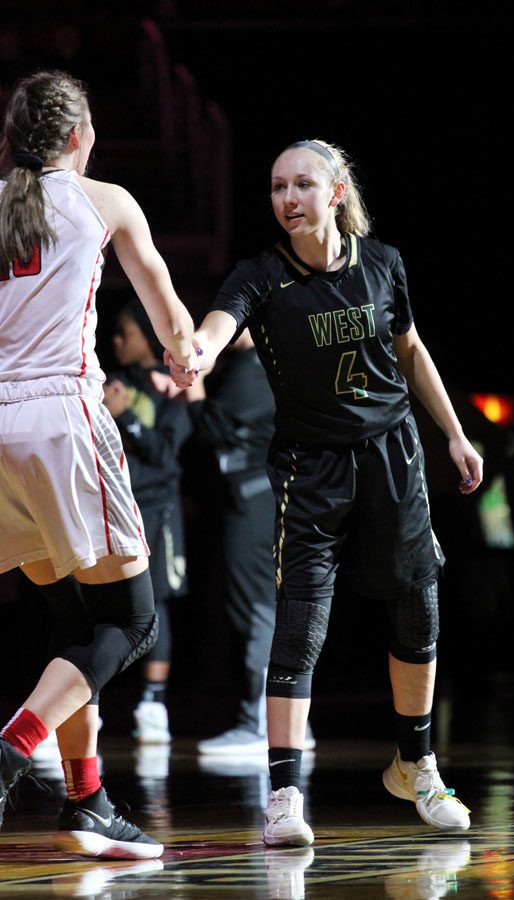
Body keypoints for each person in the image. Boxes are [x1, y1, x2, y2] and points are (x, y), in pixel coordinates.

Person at [167, 138, 483, 846]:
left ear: (335, 192)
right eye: (278, 187)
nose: (288, 199)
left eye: (302, 185)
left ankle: (416, 766)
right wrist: (199, 351)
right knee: (301, 623)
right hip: (313, 469)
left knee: (416, 607)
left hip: (393, 456)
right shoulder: (261, 277)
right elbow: (220, 326)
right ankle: (283, 794)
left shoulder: (383, 264)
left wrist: (456, 435)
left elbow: (411, 349)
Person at [0, 70, 197, 858]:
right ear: (79, 137)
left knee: (76, 626)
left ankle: (87, 799)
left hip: (2, 426)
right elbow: (167, 307)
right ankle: (13, 747)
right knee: (132, 618)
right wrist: (188, 358)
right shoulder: (103, 200)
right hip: (64, 419)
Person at [152, 329, 315, 755]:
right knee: (259, 605)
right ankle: (285, 724)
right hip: (255, 500)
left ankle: (260, 723)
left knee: (255, 607)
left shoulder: (258, 367)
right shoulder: (254, 365)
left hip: (255, 501)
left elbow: (214, 429)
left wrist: (195, 388)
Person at [104, 299, 192, 745]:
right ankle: (89, 701)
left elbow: (166, 453)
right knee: (101, 602)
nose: (118, 340)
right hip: (112, 507)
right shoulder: (107, 384)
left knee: (157, 600)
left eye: (126, 331)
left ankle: (154, 703)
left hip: (158, 507)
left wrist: (128, 420)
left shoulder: (169, 390)